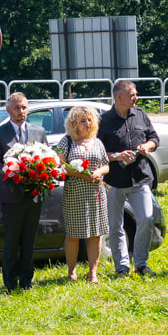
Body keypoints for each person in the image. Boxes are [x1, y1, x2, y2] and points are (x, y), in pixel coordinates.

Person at [0, 92, 48, 292]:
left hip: (33, 195)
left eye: (23, 107)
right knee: (12, 240)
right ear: (8, 110)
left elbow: (48, 159)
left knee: (29, 239)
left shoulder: (38, 131)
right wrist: (10, 170)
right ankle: (10, 282)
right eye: (16, 108)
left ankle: (26, 280)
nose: (21, 112)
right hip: (11, 196)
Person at [98, 80, 159, 278]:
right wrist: (116, 156)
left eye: (136, 94)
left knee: (146, 220)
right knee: (115, 226)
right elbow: (96, 152)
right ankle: (122, 268)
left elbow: (154, 139)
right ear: (119, 97)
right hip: (113, 181)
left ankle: (141, 264)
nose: (136, 97)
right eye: (132, 94)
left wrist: (147, 147)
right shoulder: (104, 121)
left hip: (140, 178)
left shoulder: (140, 114)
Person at [56, 106, 110, 283]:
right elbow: (60, 166)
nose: (87, 124)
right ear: (74, 124)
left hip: (96, 194)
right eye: (82, 121)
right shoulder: (67, 141)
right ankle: (72, 271)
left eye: (89, 120)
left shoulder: (97, 142)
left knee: (95, 233)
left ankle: (92, 272)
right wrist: (82, 174)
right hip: (75, 193)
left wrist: (99, 172)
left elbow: (106, 165)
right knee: (73, 234)